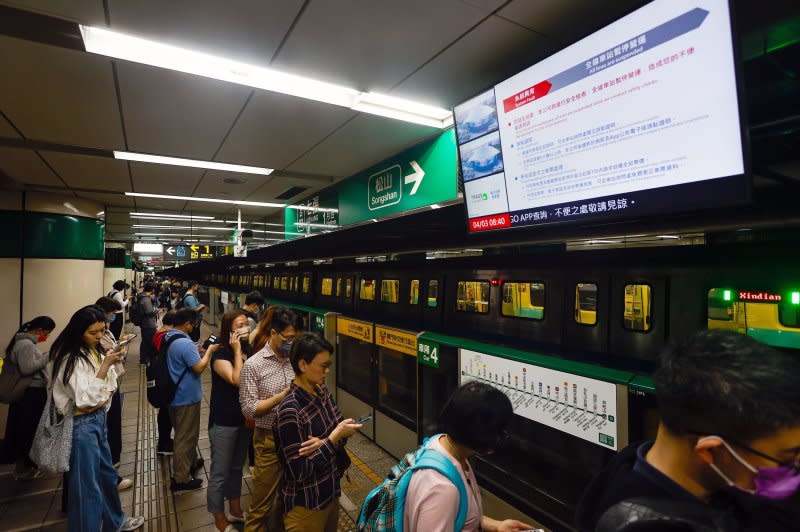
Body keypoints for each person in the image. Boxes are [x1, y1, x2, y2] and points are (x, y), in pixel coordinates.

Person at [575, 329, 800, 531]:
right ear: (711, 452)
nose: (795, 467)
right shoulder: (640, 523)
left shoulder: (635, 462)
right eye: (787, 458)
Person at [50, 305, 144, 531]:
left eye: (102, 330)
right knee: (86, 488)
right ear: (78, 330)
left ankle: (115, 521)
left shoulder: (94, 349)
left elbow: (109, 386)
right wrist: (105, 367)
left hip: (98, 421)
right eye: (94, 332)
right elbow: (86, 400)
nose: (100, 336)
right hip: (81, 426)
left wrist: (105, 377)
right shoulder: (69, 358)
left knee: (107, 477)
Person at [402, 381, 535, 532]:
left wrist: (496, 526)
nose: (502, 437)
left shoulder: (442, 445)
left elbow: (457, 516)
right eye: (500, 430)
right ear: (482, 433)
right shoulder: (442, 489)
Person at [275, 332, 362, 532]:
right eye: (323, 366)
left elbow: (340, 434)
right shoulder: (290, 412)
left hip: (330, 494)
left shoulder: (322, 392)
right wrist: (332, 438)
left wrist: (325, 442)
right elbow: (299, 472)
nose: (327, 371)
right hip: (306, 506)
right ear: (303, 365)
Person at [239, 306, 299, 532]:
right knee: (261, 506)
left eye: (295, 338)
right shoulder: (253, 366)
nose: (292, 343)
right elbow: (249, 409)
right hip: (269, 442)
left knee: (289, 499)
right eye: (288, 338)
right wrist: (282, 396)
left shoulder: (296, 360)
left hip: (296, 440)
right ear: (274, 333)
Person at [207, 311, 253, 531]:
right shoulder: (221, 354)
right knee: (219, 473)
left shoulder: (249, 350)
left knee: (237, 468)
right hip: (224, 421)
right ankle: (219, 519)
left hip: (243, 419)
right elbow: (237, 380)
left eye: (247, 324)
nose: (245, 327)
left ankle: (235, 510)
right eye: (240, 325)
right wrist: (236, 351)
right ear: (230, 330)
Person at [2, 315, 55, 480]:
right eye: (45, 333)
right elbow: (27, 368)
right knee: (28, 429)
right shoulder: (25, 344)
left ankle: (26, 466)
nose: (45, 337)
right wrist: (48, 356)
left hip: (29, 393)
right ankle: (23, 468)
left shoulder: (23, 342)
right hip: (31, 393)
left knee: (24, 428)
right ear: (38, 330)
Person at [167, 308, 213, 491]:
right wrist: (208, 352)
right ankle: (181, 479)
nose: (194, 328)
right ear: (187, 324)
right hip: (185, 397)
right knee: (185, 437)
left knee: (184, 433)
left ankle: (191, 461)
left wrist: (197, 350)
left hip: (174, 395)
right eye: (193, 325)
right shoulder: (184, 343)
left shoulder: (169, 336)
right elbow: (199, 368)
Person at [93, 297, 134, 490]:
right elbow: (89, 395)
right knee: (106, 431)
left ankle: (111, 468)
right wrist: (117, 351)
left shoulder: (104, 332)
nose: (112, 318)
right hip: (99, 398)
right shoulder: (80, 357)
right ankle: (109, 477)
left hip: (109, 385)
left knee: (110, 428)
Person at [153, 310, 178, 455]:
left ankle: (164, 441)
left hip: (161, 379)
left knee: (164, 413)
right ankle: (164, 444)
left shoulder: (159, 333)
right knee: (166, 414)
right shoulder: (165, 337)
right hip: (165, 380)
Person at [136, 282, 158, 365]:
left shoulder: (142, 296)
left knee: (145, 341)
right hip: (148, 324)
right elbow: (149, 312)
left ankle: (143, 359)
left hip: (145, 323)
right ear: (152, 290)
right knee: (148, 342)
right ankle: (145, 359)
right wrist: (156, 311)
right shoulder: (146, 299)